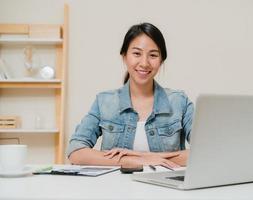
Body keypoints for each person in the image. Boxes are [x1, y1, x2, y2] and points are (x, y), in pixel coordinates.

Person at [67, 22, 194, 168]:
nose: (144, 63)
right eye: (137, 54)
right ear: (124, 56)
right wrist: (131, 161)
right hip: (115, 189)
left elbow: (206, 151)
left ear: (161, 60)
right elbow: (76, 151)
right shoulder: (104, 102)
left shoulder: (179, 101)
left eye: (153, 55)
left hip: (165, 189)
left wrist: (146, 156)